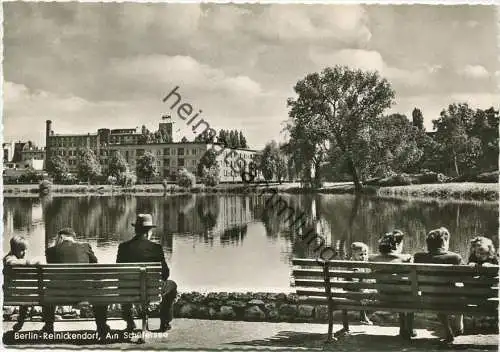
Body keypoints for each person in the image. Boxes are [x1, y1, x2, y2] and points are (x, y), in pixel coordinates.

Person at [42, 228, 109, 339]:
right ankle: (101, 326)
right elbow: (95, 265)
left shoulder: (50, 251)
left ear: (61, 237)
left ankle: (49, 326)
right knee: (99, 289)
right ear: (73, 238)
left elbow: (54, 273)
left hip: (60, 295)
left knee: (50, 288)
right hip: (84, 294)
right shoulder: (85, 246)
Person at [116, 214, 177, 333]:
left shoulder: (123, 247)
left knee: (123, 284)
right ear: (149, 231)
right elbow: (165, 274)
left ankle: (129, 321)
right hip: (152, 290)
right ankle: (164, 322)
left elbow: (120, 272)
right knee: (172, 285)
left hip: (128, 289)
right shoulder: (156, 248)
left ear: (135, 230)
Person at [413, 227, 464, 343]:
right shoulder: (455, 258)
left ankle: (447, 328)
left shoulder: (419, 257)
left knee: (437, 295)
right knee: (455, 293)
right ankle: (459, 325)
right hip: (451, 298)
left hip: (428, 297)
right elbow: (466, 278)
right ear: (444, 242)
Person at [369, 230, 415, 340]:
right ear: (396, 245)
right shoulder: (405, 258)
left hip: (383, 295)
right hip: (401, 297)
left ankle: (403, 328)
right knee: (406, 291)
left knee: (399, 289)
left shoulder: (372, 259)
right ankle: (409, 329)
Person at [3, 235, 41, 332]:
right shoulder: (9, 258)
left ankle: (21, 321)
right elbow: (10, 262)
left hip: (17, 293)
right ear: (14, 249)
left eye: (26, 250)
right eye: (22, 250)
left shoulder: (16, 259)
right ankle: (47, 323)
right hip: (17, 294)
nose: (25, 252)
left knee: (25, 293)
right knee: (27, 294)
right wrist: (29, 262)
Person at [335, 242, 372, 337]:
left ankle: (357, 319)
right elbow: (354, 283)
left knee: (363, 290)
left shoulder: (357, 263)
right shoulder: (353, 266)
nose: (363, 256)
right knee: (364, 293)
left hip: (351, 292)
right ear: (353, 254)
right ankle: (361, 317)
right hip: (352, 293)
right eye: (361, 254)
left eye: (365, 254)